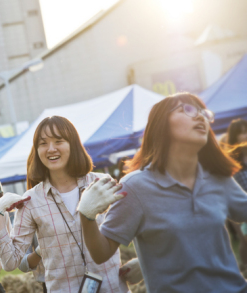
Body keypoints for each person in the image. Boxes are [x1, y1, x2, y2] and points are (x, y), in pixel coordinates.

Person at [78, 93, 247, 292]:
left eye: (204, 113)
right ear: (162, 124)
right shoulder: (135, 187)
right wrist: (86, 216)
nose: (201, 116)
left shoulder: (218, 178)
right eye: (189, 109)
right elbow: (101, 253)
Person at [0, 116, 128, 292]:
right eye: (43, 143)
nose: (51, 149)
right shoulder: (31, 200)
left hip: (112, 287)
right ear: (36, 150)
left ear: (73, 144)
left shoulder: (102, 183)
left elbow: (131, 228)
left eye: (58, 141)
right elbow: (11, 263)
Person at [227, 118, 247, 264]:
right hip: (240, 209)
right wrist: (236, 227)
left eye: (246, 131)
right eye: (241, 133)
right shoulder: (229, 161)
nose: (245, 135)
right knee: (244, 241)